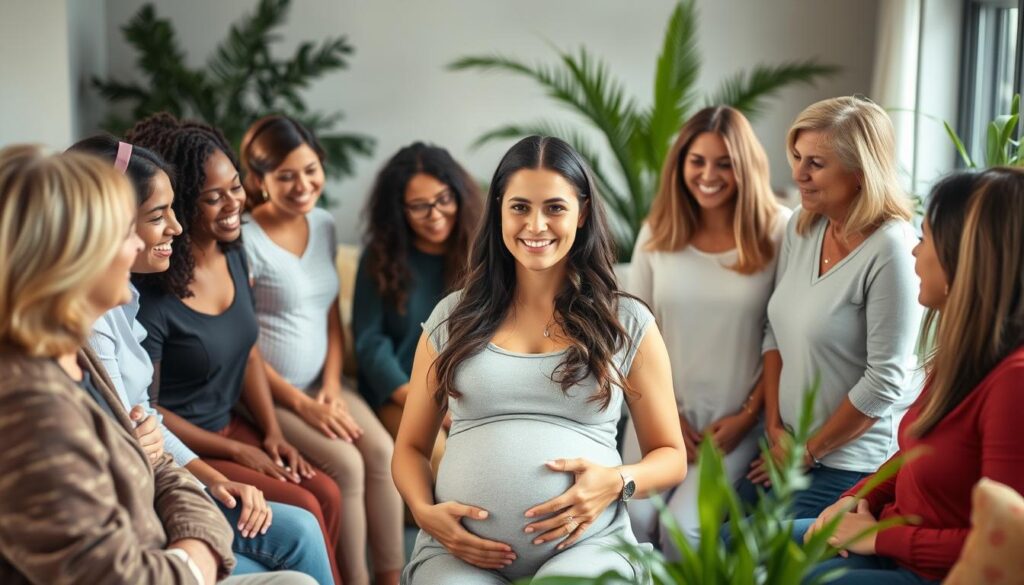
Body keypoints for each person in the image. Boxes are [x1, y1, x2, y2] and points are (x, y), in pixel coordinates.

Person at [0, 144, 315, 585]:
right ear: (71, 255)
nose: (136, 244)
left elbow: (154, 454)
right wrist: (198, 555)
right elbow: (115, 570)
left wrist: (198, 528)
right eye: (122, 232)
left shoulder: (75, 353)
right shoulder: (35, 406)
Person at [393, 136, 687, 584]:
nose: (535, 225)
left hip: (591, 546)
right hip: (458, 554)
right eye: (519, 207)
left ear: (581, 213)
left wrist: (617, 482)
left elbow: (671, 456)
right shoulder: (451, 317)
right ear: (498, 210)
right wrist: (422, 510)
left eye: (554, 208)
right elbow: (411, 448)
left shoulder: (626, 321)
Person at [125, 113, 343, 585]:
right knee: (305, 504)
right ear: (184, 202)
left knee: (327, 491)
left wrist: (271, 432)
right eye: (213, 197)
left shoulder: (235, 252)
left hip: (234, 425)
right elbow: (151, 409)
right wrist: (236, 451)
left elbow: (248, 353)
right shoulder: (154, 296)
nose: (233, 205)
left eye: (236, 187)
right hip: (194, 441)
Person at [794, 168, 1024, 583]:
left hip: (931, 570)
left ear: (963, 259)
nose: (914, 252)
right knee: (739, 542)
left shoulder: (1014, 383)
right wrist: (853, 499)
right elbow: (915, 453)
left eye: (924, 238)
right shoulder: (966, 355)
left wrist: (880, 538)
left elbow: (1004, 546)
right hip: (891, 540)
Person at [239, 115, 404, 585]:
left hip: (323, 384)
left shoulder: (325, 224)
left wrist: (331, 387)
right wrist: (303, 404)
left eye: (310, 170)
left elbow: (331, 316)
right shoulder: (245, 239)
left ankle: (391, 577)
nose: (302, 185)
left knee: (382, 452)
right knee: (347, 467)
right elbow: (244, 344)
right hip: (271, 394)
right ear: (260, 179)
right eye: (285, 176)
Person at [621, 106, 791, 550]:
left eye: (724, 163)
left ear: (745, 166)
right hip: (657, 414)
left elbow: (781, 335)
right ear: (680, 164)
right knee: (632, 519)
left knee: (683, 531)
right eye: (697, 161)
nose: (708, 175)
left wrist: (749, 416)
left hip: (734, 425)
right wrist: (665, 416)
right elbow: (631, 332)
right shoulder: (656, 233)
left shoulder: (779, 231)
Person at [744, 97, 922, 518]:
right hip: (786, 449)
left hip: (847, 464)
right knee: (714, 531)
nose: (798, 174)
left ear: (860, 172)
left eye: (816, 164)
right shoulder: (803, 225)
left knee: (734, 546)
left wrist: (809, 451)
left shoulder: (892, 250)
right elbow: (774, 331)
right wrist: (774, 427)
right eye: (797, 157)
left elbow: (884, 382)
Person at [352, 142, 482, 472]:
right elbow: (370, 342)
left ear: (459, 195)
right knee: (437, 454)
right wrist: (425, 401)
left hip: (468, 391)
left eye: (443, 200)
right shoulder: (379, 258)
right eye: (419, 206)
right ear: (399, 210)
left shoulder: (482, 253)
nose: (435, 215)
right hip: (400, 391)